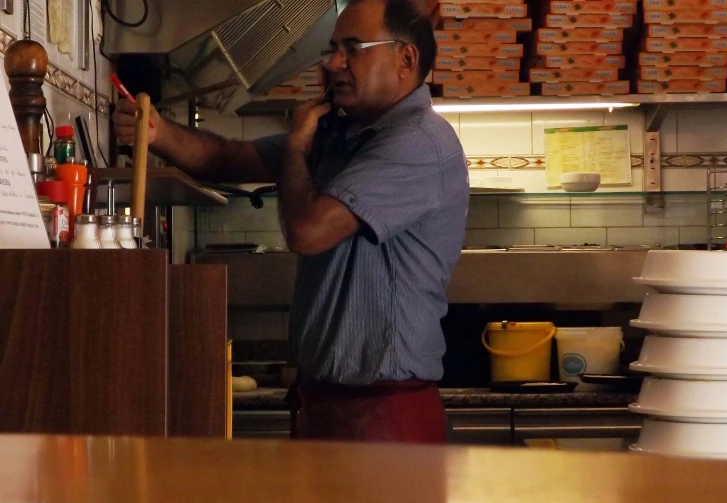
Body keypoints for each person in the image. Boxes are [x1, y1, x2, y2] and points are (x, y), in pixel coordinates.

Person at [113, 0, 468, 443]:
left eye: (353, 48)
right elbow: (229, 158)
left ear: (406, 60)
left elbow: (307, 232)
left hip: (385, 412)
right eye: (334, 48)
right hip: (327, 402)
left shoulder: (417, 142)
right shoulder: (342, 135)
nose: (335, 63)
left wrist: (297, 149)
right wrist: (158, 134)